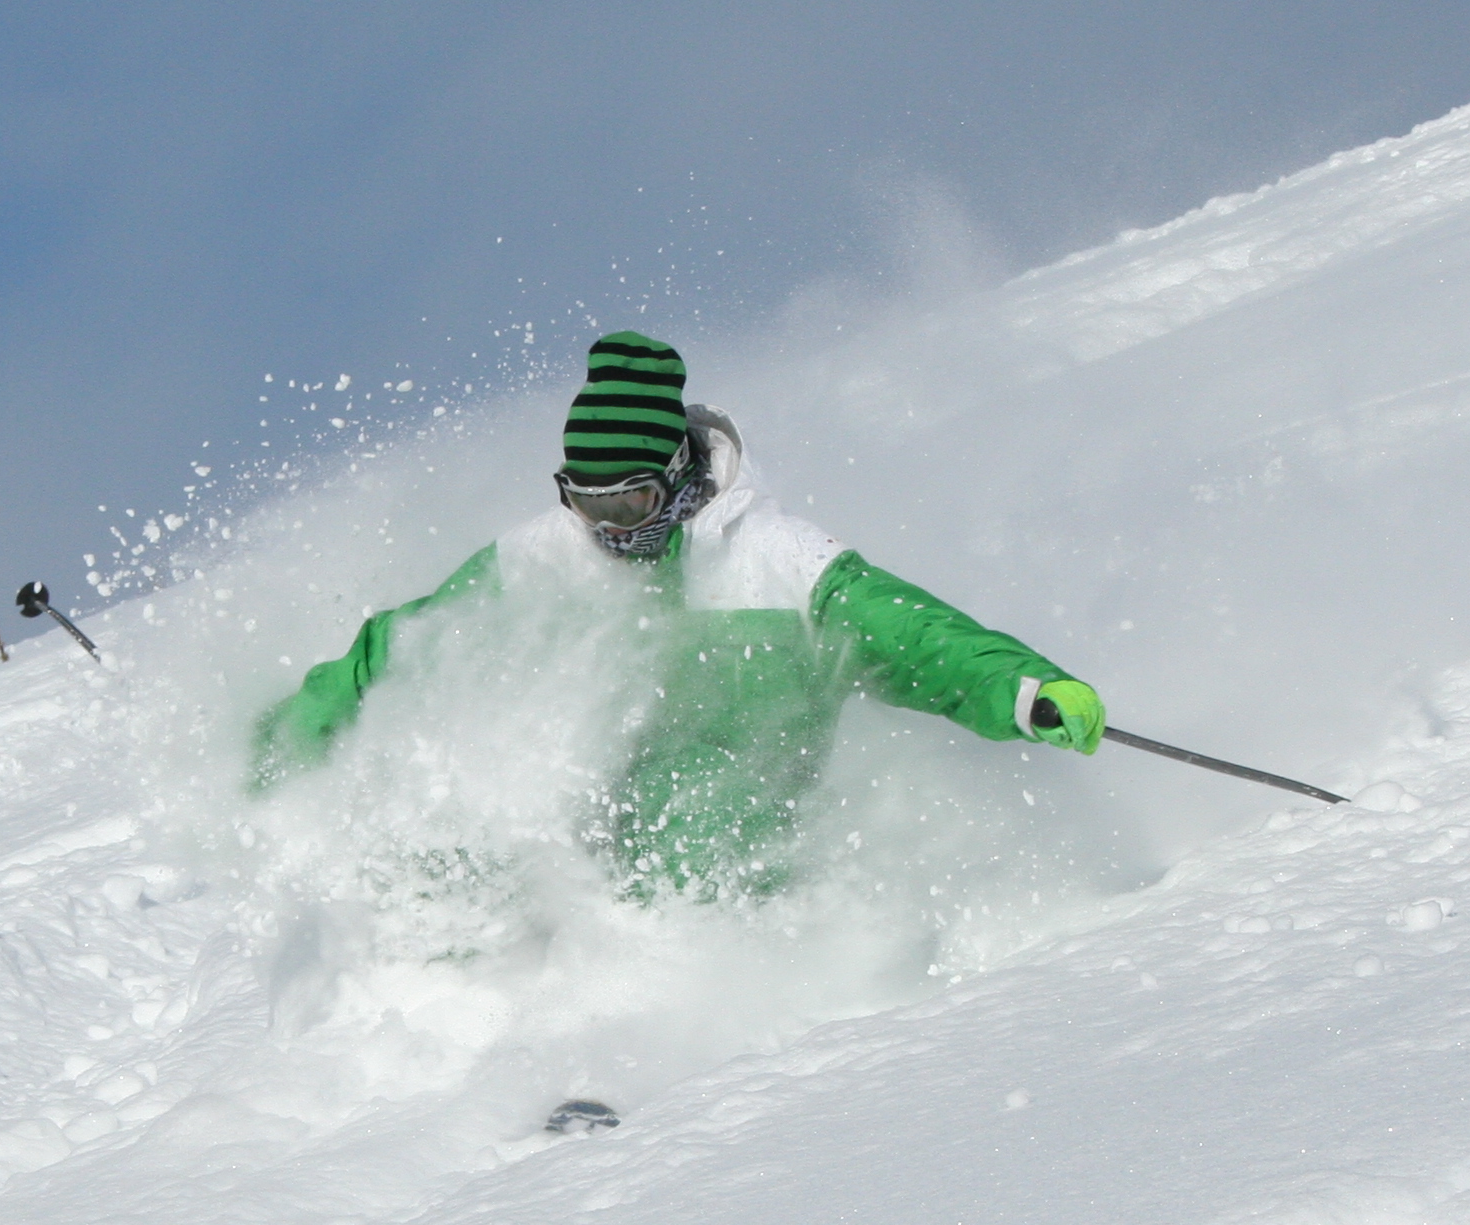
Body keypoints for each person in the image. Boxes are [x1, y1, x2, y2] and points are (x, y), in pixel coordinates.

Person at [249, 331, 1107, 895]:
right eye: (583, 505)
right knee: (454, 834)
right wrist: (288, 740)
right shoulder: (542, 560)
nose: (607, 532)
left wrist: (1027, 691)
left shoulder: (774, 561)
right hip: (590, 868)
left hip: (745, 868)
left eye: (627, 504)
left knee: (698, 826)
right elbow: (408, 648)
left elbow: (913, 635)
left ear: (675, 473)